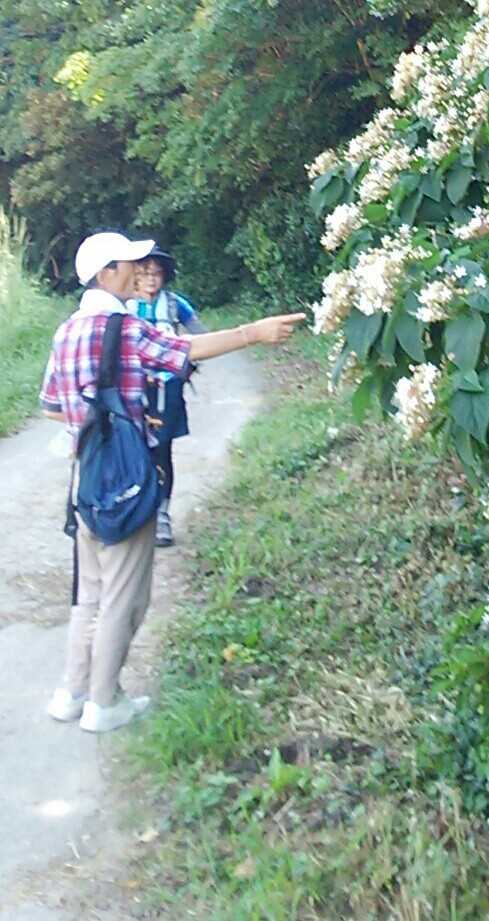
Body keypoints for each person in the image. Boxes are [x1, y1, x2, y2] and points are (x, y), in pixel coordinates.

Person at [41, 230, 303, 734]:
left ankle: (71, 694)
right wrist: (253, 332)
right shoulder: (123, 327)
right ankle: (103, 702)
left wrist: (93, 420)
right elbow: (185, 349)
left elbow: (53, 407)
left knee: (89, 594)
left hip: (86, 478)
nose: (139, 271)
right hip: (127, 478)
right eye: (129, 265)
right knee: (124, 597)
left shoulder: (66, 330)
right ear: (105, 274)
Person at [127, 246, 206, 549]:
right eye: (144, 273)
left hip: (167, 388)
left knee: (161, 450)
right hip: (133, 388)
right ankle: (137, 511)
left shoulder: (175, 304)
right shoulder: (124, 306)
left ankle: (161, 514)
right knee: (132, 447)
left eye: (156, 273)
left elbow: (200, 336)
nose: (150, 279)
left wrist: (187, 367)